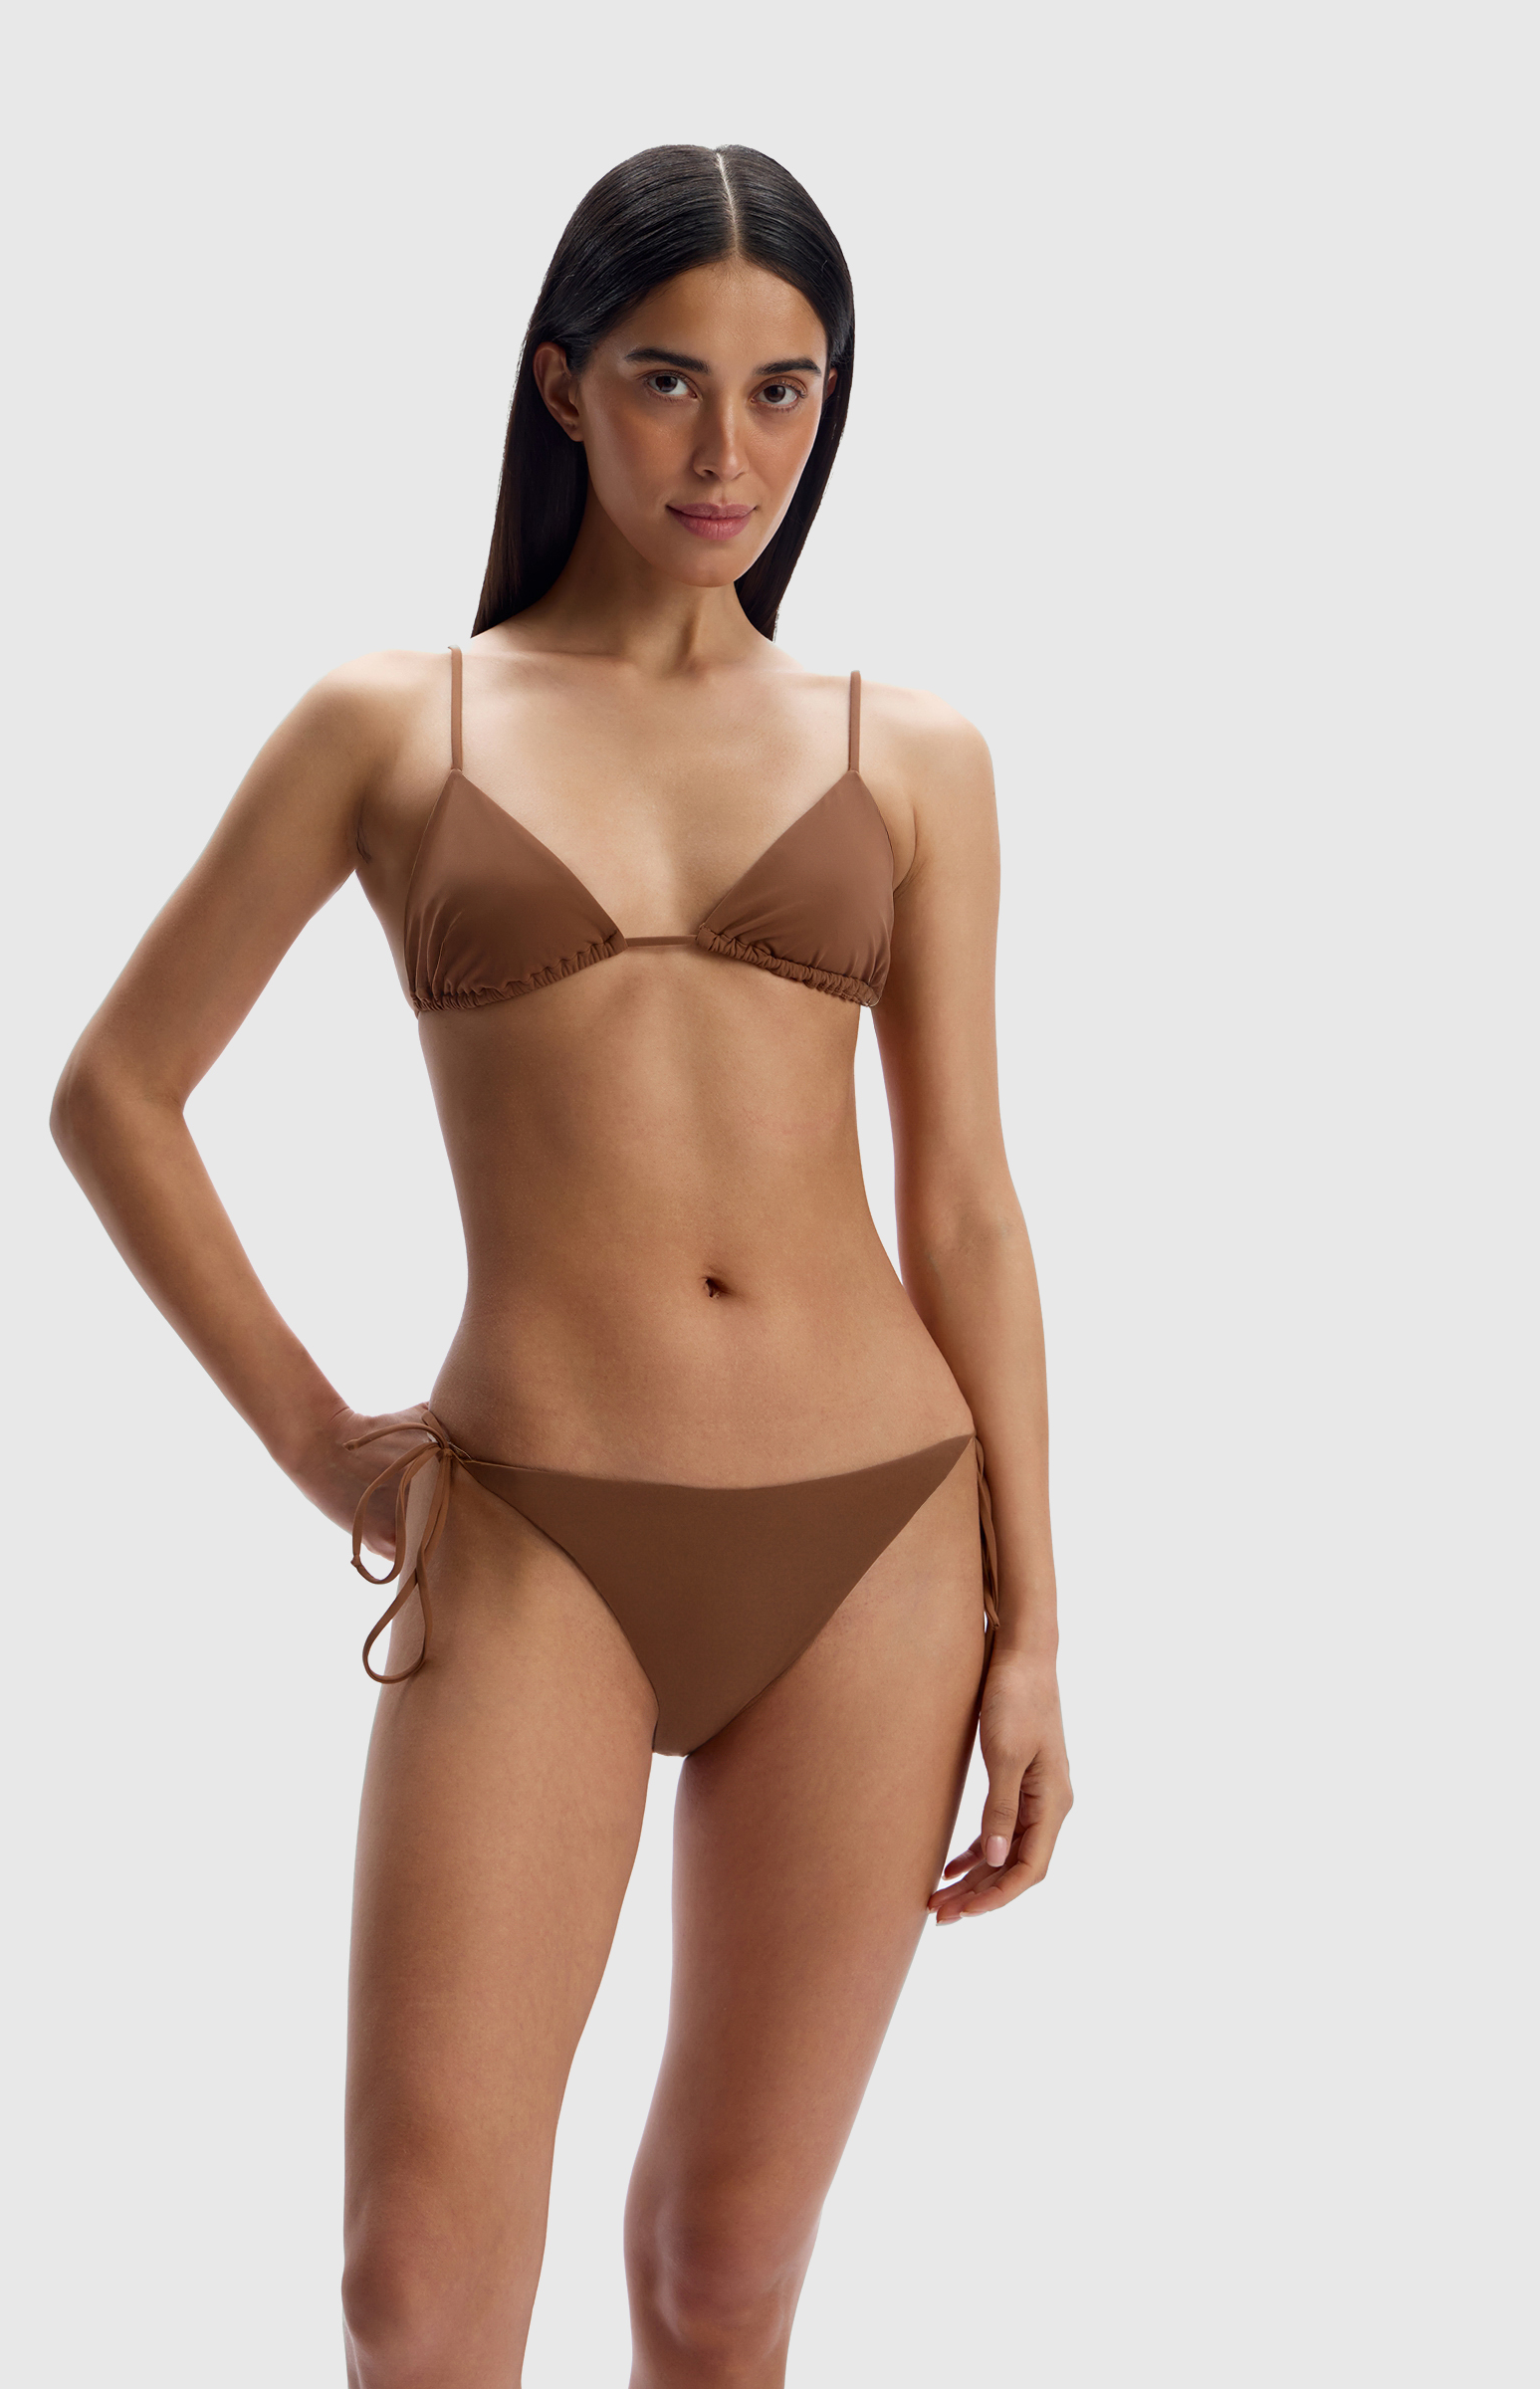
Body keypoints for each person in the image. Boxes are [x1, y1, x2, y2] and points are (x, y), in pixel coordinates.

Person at [53, 141, 1072, 2389]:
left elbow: (969, 1206)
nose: (730, 454)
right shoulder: (394, 724)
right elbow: (116, 1093)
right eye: (668, 380)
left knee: (724, 2274)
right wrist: (325, 1447)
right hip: (534, 1529)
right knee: (414, 2293)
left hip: (878, 1534)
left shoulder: (913, 755)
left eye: (786, 392)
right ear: (561, 386)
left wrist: (1035, 1629)